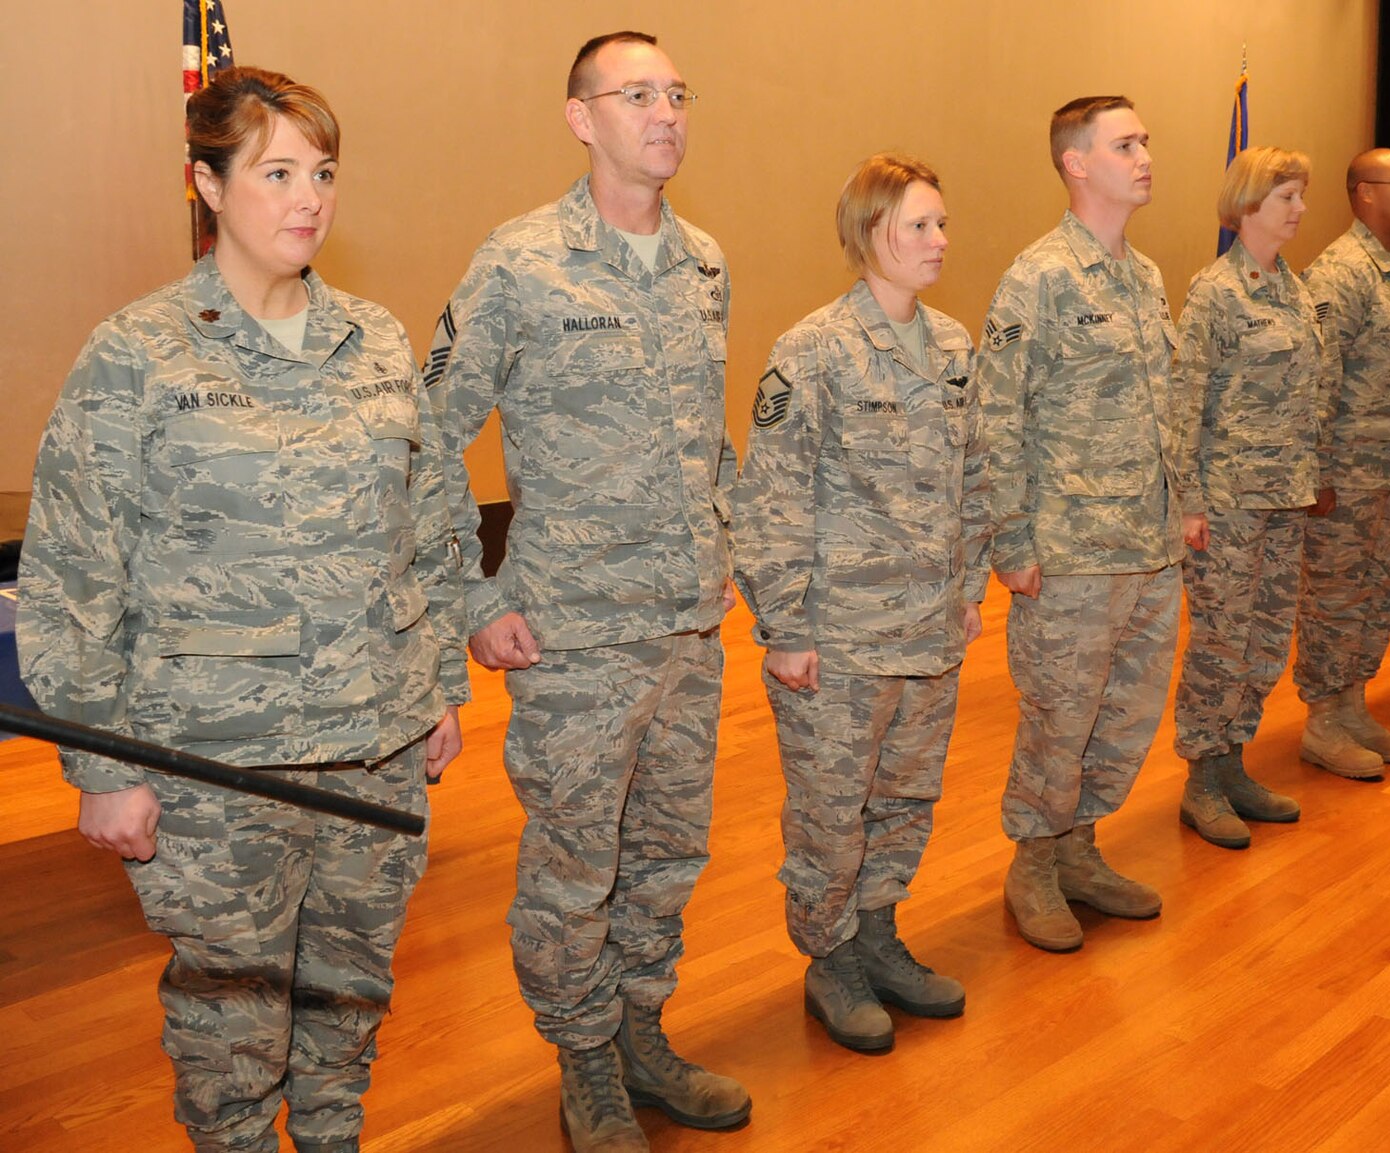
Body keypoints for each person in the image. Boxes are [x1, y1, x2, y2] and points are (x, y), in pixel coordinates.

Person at [18, 67, 465, 1153]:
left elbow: (430, 526)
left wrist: (438, 686)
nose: (309, 197)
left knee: (349, 996)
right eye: (275, 172)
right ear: (206, 184)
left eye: (321, 172)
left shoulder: (378, 339)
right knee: (229, 1024)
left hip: (374, 744)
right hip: (215, 764)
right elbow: (75, 566)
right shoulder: (138, 353)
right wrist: (102, 766)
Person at [427, 31, 749, 1150]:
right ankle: (581, 1056)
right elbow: (427, 442)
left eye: (676, 93)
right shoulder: (519, 263)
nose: (665, 112)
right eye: (637, 94)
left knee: (666, 851)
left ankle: (640, 1032)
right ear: (581, 118)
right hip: (571, 637)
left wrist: (738, 562)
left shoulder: (704, 261)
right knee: (574, 862)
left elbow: (706, 441)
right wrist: (474, 601)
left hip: (687, 627)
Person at [731, 154, 988, 1051]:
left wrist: (966, 588)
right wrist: (785, 627)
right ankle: (829, 956)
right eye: (918, 225)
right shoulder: (815, 350)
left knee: (907, 797)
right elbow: (770, 496)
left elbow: (976, 478)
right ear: (868, 232)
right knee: (831, 811)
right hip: (838, 636)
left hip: (928, 628)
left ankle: (878, 933)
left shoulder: (956, 348)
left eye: (942, 224)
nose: (938, 241)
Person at [975, 96, 1186, 953]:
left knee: (1126, 713)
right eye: (1126, 143)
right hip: (1070, 552)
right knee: (1062, 715)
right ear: (1075, 162)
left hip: (1149, 545)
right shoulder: (1040, 277)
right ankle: (1033, 860)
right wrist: (1012, 541)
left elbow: (1164, 410)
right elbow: (997, 415)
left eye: (1145, 141)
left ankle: (1080, 849)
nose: (1145, 156)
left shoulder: (1144, 277)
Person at [1171, 146, 1324, 847]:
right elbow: (1185, 402)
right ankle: (1201, 778)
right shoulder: (1216, 292)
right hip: (1229, 498)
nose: (1297, 209)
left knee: (1264, 637)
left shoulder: (1295, 289)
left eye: (1300, 195)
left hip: (1283, 494)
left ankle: (1233, 760)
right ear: (1248, 204)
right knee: (1222, 639)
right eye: (1285, 196)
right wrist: (1190, 502)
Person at [1296, 149, 1390, 777]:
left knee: (1382, 593)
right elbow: (1318, 378)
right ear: (1363, 193)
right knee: (1336, 597)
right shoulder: (1338, 273)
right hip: (1351, 476)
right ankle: (1322, 722)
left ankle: (1353, 705)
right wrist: (1320, 472)